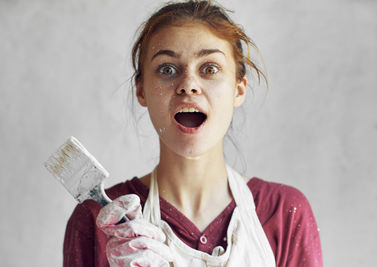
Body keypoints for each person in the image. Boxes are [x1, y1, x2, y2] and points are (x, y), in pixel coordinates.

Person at [63, 0, 323, 266]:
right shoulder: (99, 221)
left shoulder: (284, 212)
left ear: (239, 88)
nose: (188, 84)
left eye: (210, 69)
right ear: (141, 90)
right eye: (167, 69)